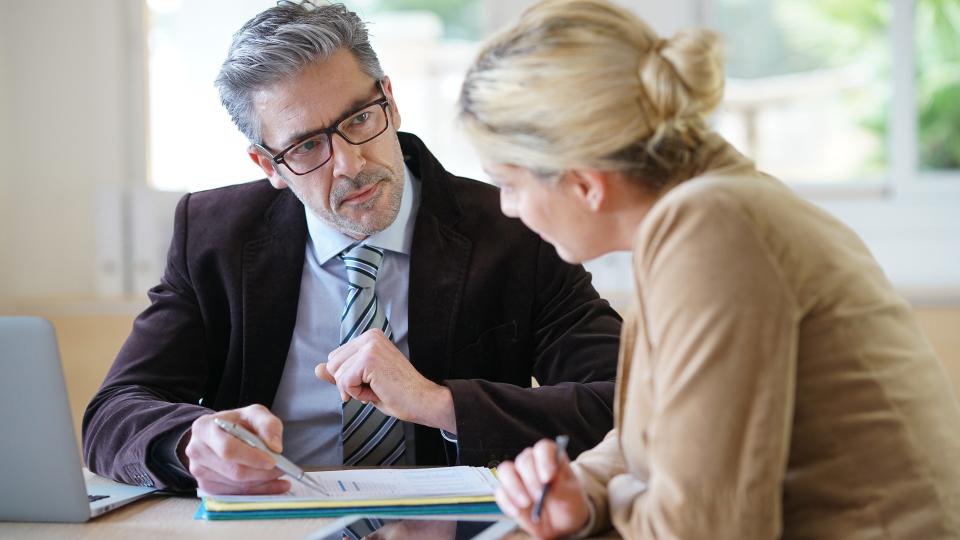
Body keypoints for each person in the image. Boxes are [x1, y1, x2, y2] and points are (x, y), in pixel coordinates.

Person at [457, 0, 960, 537]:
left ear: (585, 183)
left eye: (509, 184)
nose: (507, 208)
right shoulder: (695, 210)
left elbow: (705, 528)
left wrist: (619, 496)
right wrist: (583, 492)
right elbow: (640, 438)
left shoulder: (713, 231)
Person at [82, 1, 622, 495]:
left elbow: (627, 402)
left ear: (390, 99)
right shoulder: (214, 234)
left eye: (359, 119)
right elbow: (112, 414)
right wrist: (189, 442)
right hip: (270, 523)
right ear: (268, 166)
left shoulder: (512, 227)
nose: (350, 164)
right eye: (307, 145)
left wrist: (442, 404)